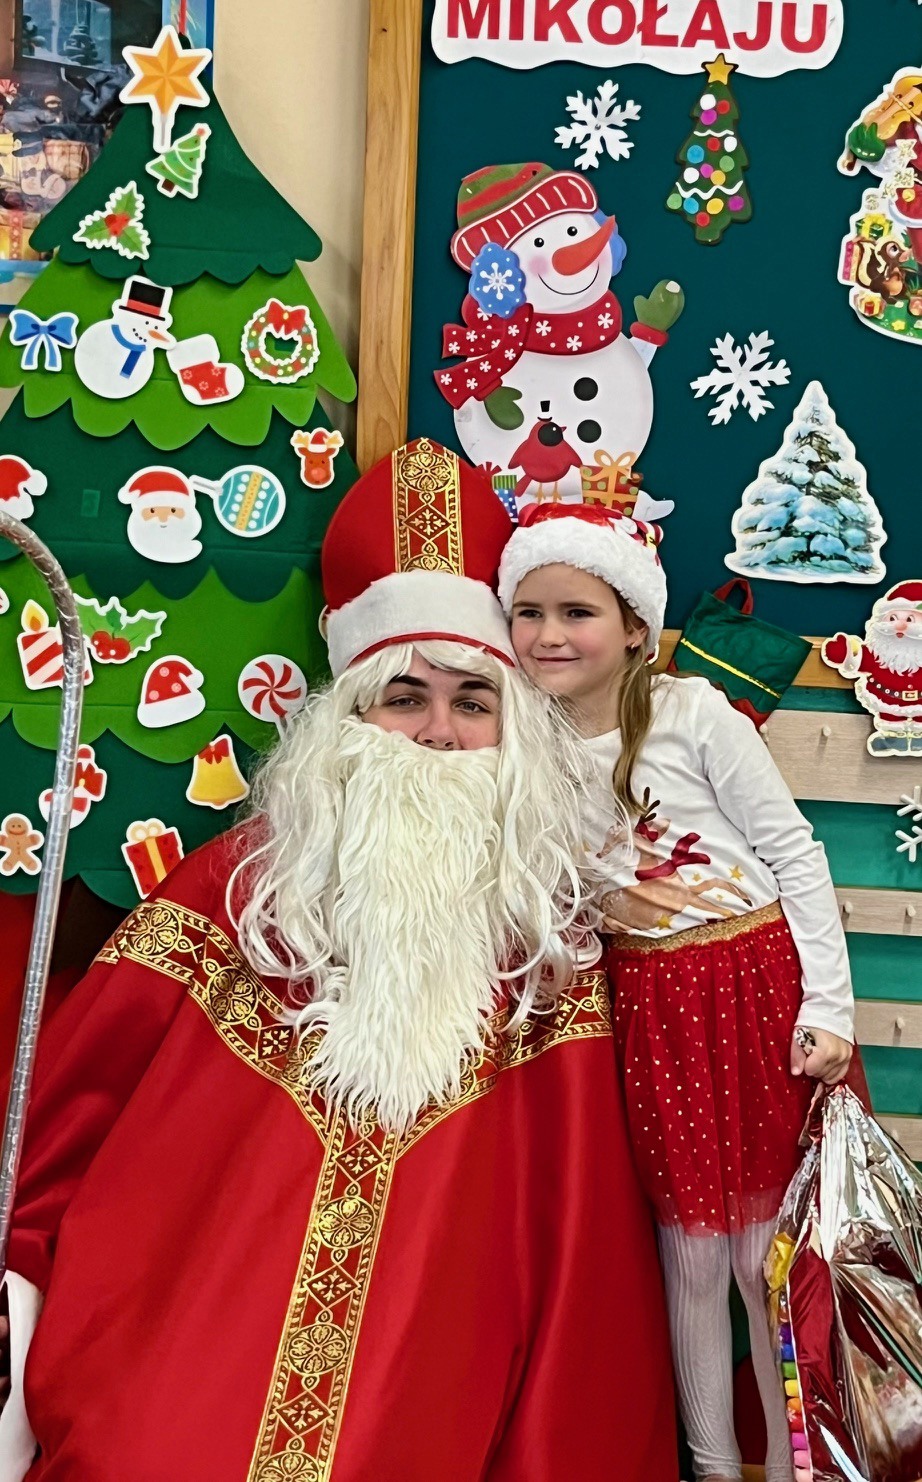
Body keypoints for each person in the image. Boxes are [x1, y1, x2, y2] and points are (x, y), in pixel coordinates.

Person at [0, 441, 677, 1482]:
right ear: (346, 716)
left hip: (438, 1374)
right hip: (183, 1342)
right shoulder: (234, 890)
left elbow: (580, 1244)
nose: (437, 734)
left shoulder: (548, 943)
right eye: (405, 698)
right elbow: (64, 1120)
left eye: (472, 701)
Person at [497, 502, 855, 1482]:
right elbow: (537, 887)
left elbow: (793, 853)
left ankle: (796, 1463)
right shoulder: (522, 744)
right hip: (652, 1008)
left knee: (761, 1257)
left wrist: (828, 1006)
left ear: (633, 629)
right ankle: (709, 1462)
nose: (549, 634)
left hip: (754, 991)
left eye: (576, 612)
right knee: (690, 1257)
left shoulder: (692, 714)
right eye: (528, 612)